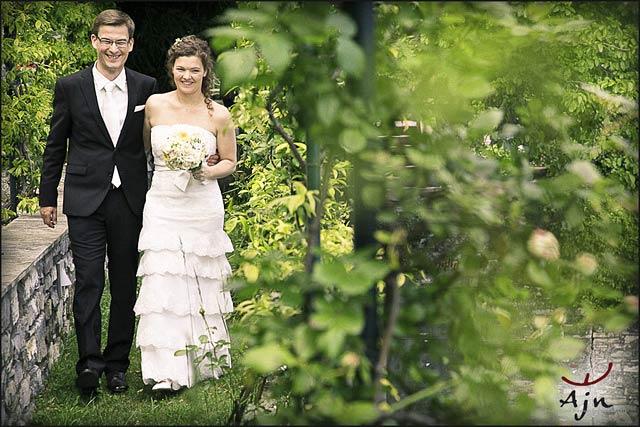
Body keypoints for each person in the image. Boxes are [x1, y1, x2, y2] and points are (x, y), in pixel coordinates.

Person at [133, 35, 236, 391]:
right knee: (164, 278)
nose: (187, 76)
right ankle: (165, 371)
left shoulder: (218, 113)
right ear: (171, 69)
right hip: (162, 201)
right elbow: (143, 151)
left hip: (202, 204)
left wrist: (207, 171)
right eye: (181, 69)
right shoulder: (154, 106)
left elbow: (230, 162)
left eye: (195, 70)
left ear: (206, 72)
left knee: (199, 276)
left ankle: (204, 358)